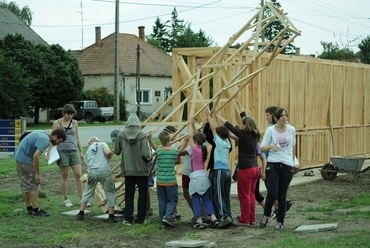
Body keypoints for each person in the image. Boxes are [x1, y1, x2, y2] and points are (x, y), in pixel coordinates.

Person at [215, 110, 260, 226]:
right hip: (255, 168)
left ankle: (245, 219)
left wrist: (217, 115)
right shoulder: (255, 135)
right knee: (251, 194)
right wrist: (228, 133)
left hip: (246, 169)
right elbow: (234, 135)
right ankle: (252, 218)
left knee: (244, 195)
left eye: (242, 124)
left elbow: (228, 125)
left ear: (245, 125)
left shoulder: (244, 134)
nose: (240, 126)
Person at [259, 107, 296, 231]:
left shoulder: (291, 130)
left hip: (287, 165)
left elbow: (292, 148)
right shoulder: (270, 130)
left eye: (286, 115)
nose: (284, 118)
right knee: (272, 193)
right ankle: (266, 215)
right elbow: (261, 148)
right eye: (282, 116)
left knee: (282, 195)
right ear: (276, 118)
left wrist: (294, 163)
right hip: (273, 164)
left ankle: (280, 221)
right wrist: (270, 146)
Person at [14, 129, 66, 216]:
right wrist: (38, 174)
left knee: (26, 185)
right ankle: (36, 210)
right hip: (26, 160)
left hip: (19, 158)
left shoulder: (43, 133)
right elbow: (35, 156)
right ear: (54, 136)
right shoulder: (45, 140)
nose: (58, 143)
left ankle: (29, 209)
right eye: (59, 141)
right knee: (33, 184)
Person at [114, 113, 151, 225]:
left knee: (129, 194)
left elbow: (116, 151)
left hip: (128, 169)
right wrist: (149, 159)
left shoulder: (121, 135)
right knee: (142, 194)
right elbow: (145, 154)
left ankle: (128, 218)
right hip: (141, 170)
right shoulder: (142, 135)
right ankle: (141, 219)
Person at [46, 104, 84, 207]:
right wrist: (48, 153)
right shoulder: (57, 123)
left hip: (73, 150)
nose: (70, 116)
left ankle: (82, 198)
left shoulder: (75, 123)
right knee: (64, 175)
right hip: (62, 151)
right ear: (64, 113)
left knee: (78, 175)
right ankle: (66, 199)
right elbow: (52, 138)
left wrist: (81, 151)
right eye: (68, 114)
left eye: (71, 114)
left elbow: (77, 137)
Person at [187, 117, 220, 229]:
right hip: (203, 175)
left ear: (196, 142)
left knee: (196, 199)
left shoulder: (195, 149)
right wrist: (195, 127)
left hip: (196, 177)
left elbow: (190, 137)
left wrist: (190, 125)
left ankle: (199, 220)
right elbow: (199, 137)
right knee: (206, 198)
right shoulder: (204, 148)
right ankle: (213, 217)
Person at [77, 137, 118, 223]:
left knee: (88, 190)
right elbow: (108, 152)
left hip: (92, 172)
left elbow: (88, 165)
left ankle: (81, 213)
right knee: (109, 191)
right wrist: (109, 156)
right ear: (97, 141)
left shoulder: (88, 152)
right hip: (104, 171)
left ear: (89, 143)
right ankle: (111, 216)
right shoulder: (102, 144)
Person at [204, 107, 233, 228]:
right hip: (227, 171)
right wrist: (217, 115)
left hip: (219, 171)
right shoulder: (227, 143)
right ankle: (228, 215)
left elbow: (212, 128)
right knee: (225, 195)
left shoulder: (219, 142)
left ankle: (223, 217)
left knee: (219, 195)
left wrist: (209, 116)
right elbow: (223, 130)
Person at [148, 131, 179, 227]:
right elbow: (177, 161)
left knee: (162, 200)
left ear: (161, 141)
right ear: (170, 139)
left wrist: (149, 140)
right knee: (172, 200)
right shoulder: (175, 152)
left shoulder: (159, 152)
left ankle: (162, 219)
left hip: (160, 180)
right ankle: (167, 216)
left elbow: (154, 147)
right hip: (170, 181)